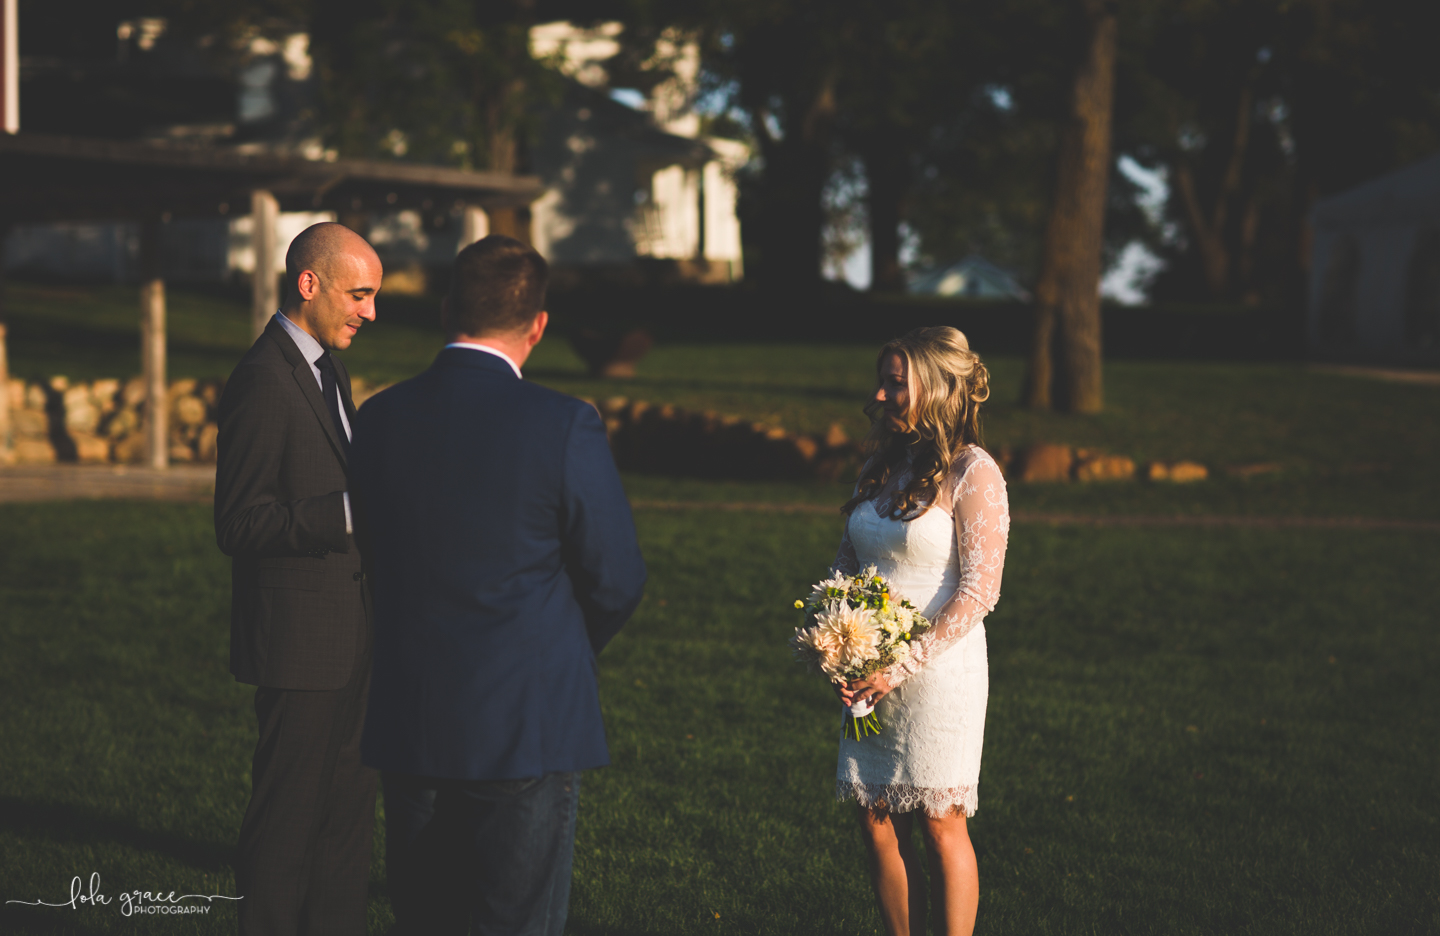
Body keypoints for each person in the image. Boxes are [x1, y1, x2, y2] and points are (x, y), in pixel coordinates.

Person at [351, 234, 647, 936]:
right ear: (538, 325)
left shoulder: (380, 417)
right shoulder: (563, 423)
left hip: (410, 710)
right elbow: (617, 577)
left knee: (424, 917)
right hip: (524, 716)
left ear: (447, 308)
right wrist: (565, 648)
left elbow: (367, 552)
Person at [214, 222, 383, 936]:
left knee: (345, 822)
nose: (370, 312)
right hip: (300, 647)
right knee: (285, 828)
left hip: (353, 638)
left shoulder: (327, 368)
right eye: (360, 293)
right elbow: (240, 524)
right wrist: (348, 511)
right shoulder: (262, 380)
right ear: (308, 284)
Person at [831, 326, 1009, 936]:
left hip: (940, 671)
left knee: (940, 821)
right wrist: (840, 649)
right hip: (868, 669)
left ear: (933, 389)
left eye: (894, 385)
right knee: (875, 814)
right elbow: (847, 564)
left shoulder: (972, 472)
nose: (878, 397)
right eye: (881, 383)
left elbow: (980, 590)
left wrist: (901, 664)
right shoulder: (878, 467)